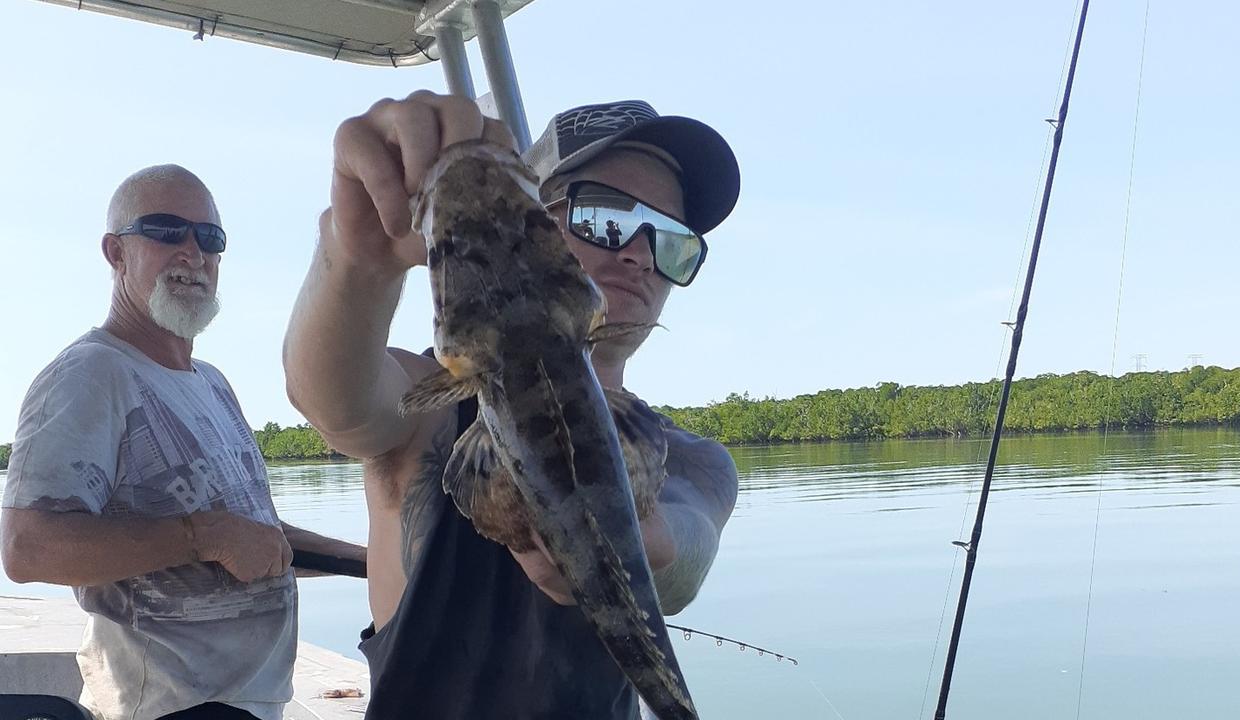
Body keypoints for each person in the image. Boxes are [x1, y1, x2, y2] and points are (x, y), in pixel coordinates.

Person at [282, 94, 740, 719]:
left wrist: (637, 540)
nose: (638, 252)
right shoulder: (430, 408)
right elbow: (334, 400)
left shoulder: (693, 459)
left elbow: (685, 560)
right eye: (606, 218)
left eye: (671, 241)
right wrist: (355, 260)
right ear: (540, 212)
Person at [0, 165, 365, 720]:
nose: (194, 253)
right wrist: (203, 535)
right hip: (167, 710)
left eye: (210, 238)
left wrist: (375, 561)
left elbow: (256, 539)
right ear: (115, 253)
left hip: (254, 705)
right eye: (167, 230)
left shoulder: (212, 383)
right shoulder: (90, 375)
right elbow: (27, 548)